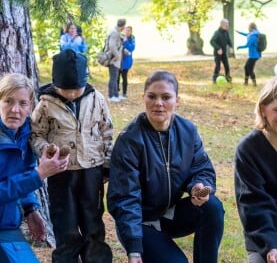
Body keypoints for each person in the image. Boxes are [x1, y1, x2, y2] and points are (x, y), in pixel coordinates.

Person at [107, 70, 224, 263]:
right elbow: (125, 198)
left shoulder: (187, 130)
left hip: (169, 215)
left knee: (212, 207)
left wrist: (199, 186)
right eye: (152, 96)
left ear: (177, 100)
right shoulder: (130, 139)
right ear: (143, 97)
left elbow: (202, 168)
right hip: (139, 223)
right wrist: (134, 249)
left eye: (166, 97)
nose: (158, 103)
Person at [30, 49, 113, 262]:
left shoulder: (97, 99)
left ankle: (96, 258)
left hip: (91, 170)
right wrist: (46, 149)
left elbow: (107, 131)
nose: (73, 94)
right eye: (67, 90)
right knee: (65, 224)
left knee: (92, 221)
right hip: (61, 172)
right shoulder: (45, 104)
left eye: (78, 88)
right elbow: (36, 135)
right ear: (56, 84)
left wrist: (106, 164)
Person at [0, 73, 69, 263]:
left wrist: (31, 209)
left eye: (23, 103)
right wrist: (39, 174)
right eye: (8, 101)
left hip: (6, 226)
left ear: (31, 107)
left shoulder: (26, 135)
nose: (15, 110)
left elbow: (22, 174)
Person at [234, 76, 277, 263]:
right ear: (263, 109)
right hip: (264, 225)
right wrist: (271, 244)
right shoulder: (247, 149)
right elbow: (253, 202)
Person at [106, 18, 126, 102]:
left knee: (115, 76)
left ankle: (116, 95)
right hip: (113, 59)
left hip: (115, 59)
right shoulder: (114, 33)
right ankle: (111, 96)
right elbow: (112, 46)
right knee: (113, 77)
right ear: (123, 26)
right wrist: (117, 56)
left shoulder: (117, 32)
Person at [210, 18, 234, 83]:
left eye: (228, 25)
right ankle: (214, 80)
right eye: (226, 25)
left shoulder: (226, 32)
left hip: (224, 53)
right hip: (217, 53)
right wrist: (218, 48)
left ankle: (228, 78)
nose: (227, 26)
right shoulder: (217, 33)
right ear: (222, 25)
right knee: (218, 66)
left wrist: (231, 47)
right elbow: (212, 41)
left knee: (227, 66)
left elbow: (228, 40)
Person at [118, 26, 136, 100]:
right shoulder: (120, 37)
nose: (127, 32)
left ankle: (124, 93)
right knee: (117, 77)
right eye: (126, 30)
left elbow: (131, 48)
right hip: (119, 61)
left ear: (131, 32)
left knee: (124, 77)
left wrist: (125, 41)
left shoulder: (132, 39)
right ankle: (116, 92)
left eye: (128, 31)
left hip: (126, 62)